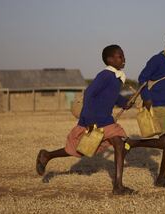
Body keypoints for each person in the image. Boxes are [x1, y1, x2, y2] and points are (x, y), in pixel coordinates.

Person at [36, 44, 135, 195]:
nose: (124, 59)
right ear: (110, 59)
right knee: (78, 150)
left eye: (123, 56)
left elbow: (113, 97)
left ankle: (118, 186)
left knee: (119, 144)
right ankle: (47, 155)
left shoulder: (116, 78)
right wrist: (89, 119)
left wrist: (124, 103)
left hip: (106, 120)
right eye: (120, 56)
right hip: (93, 119)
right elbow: (89, 93)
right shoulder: (106, 75)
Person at [127, 29, 165, 187]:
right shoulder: (157, 60)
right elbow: (142, 78)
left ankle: (132, 143)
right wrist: (147, 97)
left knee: (164, 142)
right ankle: (161, 178)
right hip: (157, 105)